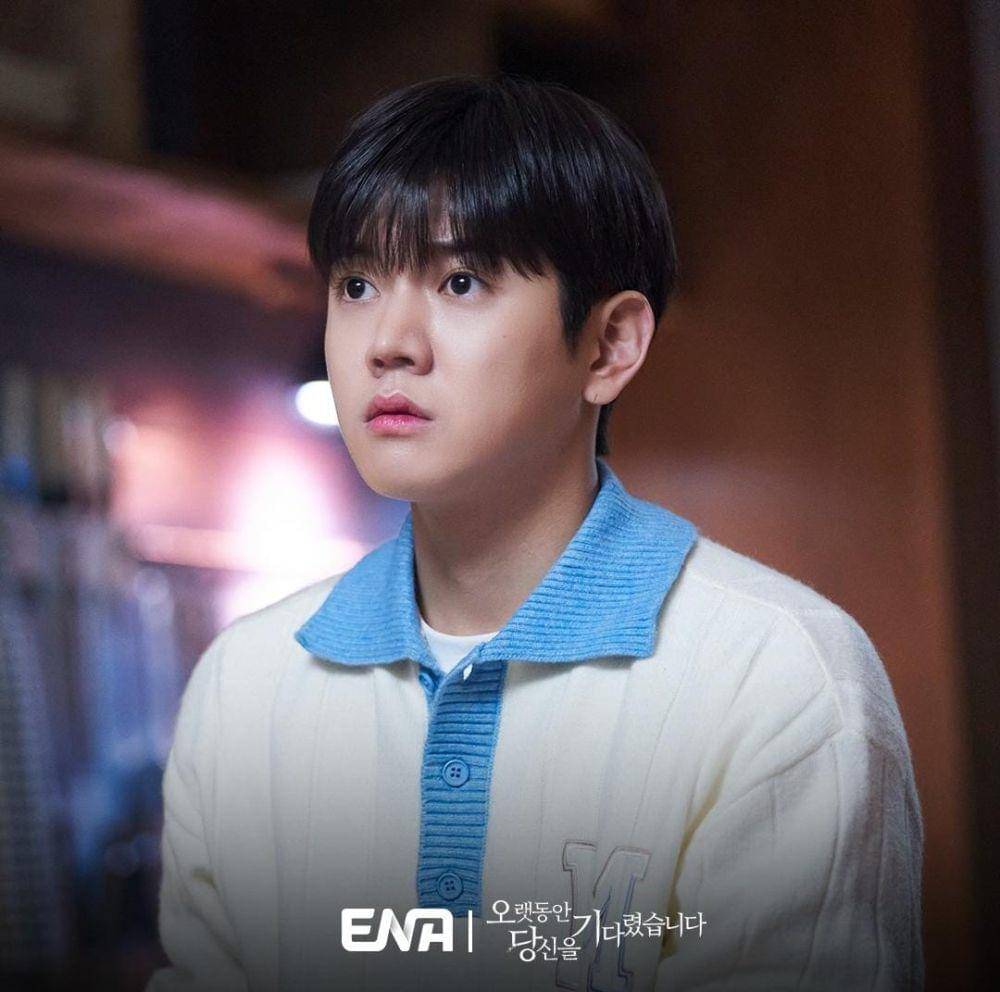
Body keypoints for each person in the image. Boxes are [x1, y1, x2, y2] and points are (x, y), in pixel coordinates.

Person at [147, 73, 923, 992]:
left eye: (460, 281)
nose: (388, 342)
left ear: (609, 345)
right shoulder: (244, 684)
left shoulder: (780, 679)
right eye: (356, 284)